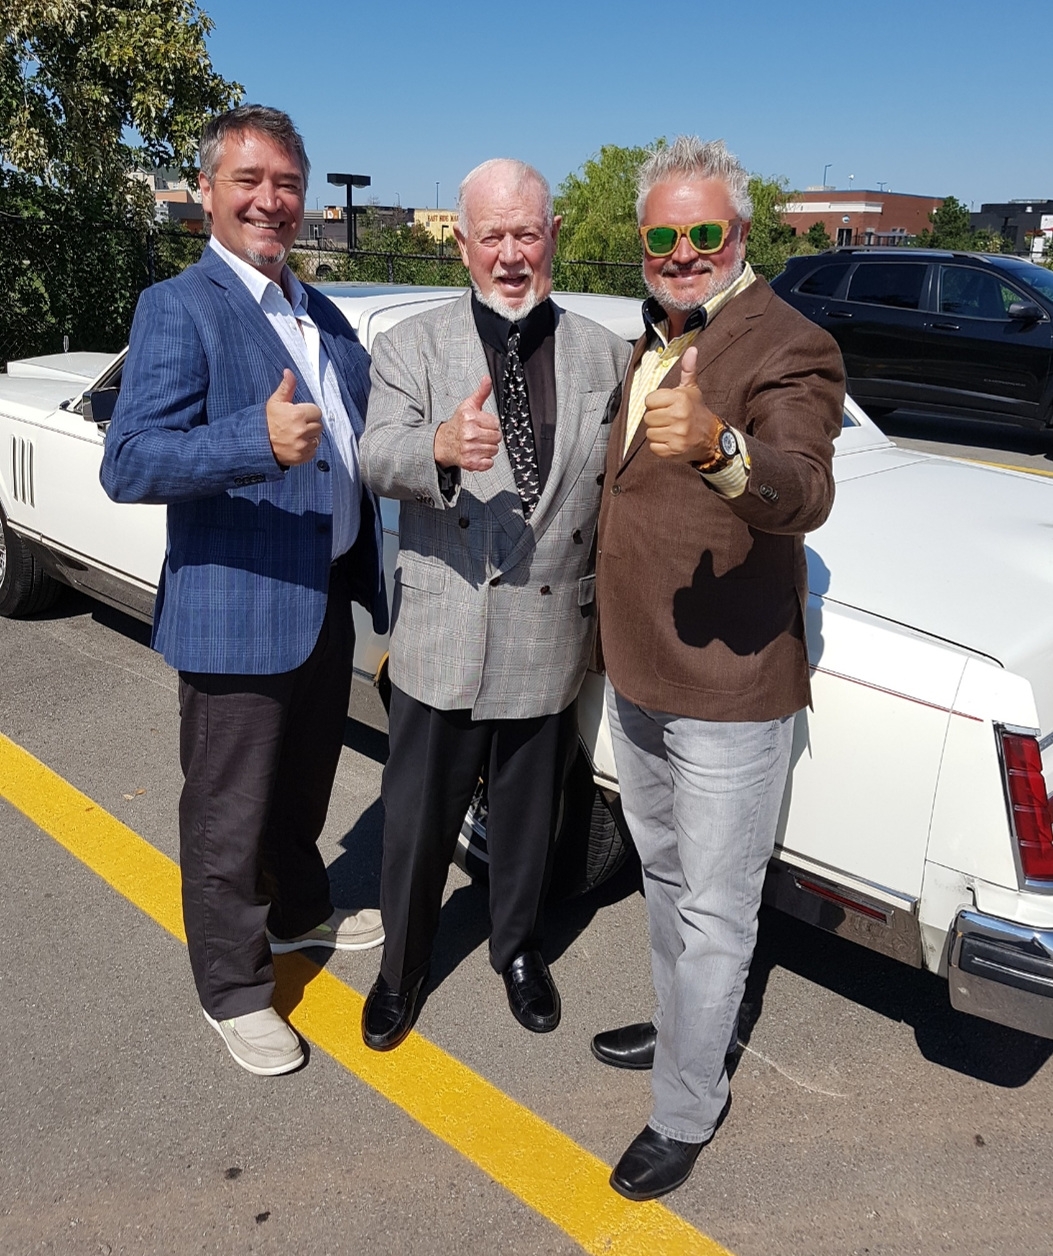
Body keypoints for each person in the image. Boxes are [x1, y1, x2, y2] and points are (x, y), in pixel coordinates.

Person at [100, 105, 387, 1077]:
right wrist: (249, 443)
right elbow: (129, 461)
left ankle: (302, 912)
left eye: (288, 183)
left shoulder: (320, 312)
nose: (272, 199)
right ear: (209, 195)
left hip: (323, 596)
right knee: (226, 817)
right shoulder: (180, 307)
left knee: (301, 790)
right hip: (234, 608)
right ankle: (232, 987)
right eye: (249, 180)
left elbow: (361, 437)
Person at [592, 137, 845, 1200]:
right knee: (665, 878)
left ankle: (687, 1106)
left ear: (741, 235)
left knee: (715, 906)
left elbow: (803, 484)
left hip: (732, 684)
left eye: (705, 233)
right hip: (641, 667)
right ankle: (687, 1029)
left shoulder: (791, 342)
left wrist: (717, 446)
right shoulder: (643, 335)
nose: (683, 252)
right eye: (664, 235)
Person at [358, 158, 631, 1051]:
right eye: (491, 237)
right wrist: (437, 446)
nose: (510, 256)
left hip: (549, 628)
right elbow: (373, 455)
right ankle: (401, 967)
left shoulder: (604, 353)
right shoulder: (413, 344)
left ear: (550, 236)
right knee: (416, 825)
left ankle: (517, 949)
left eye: (527, 234)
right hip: (445, 630)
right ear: (463, 246)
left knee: (528, 821)